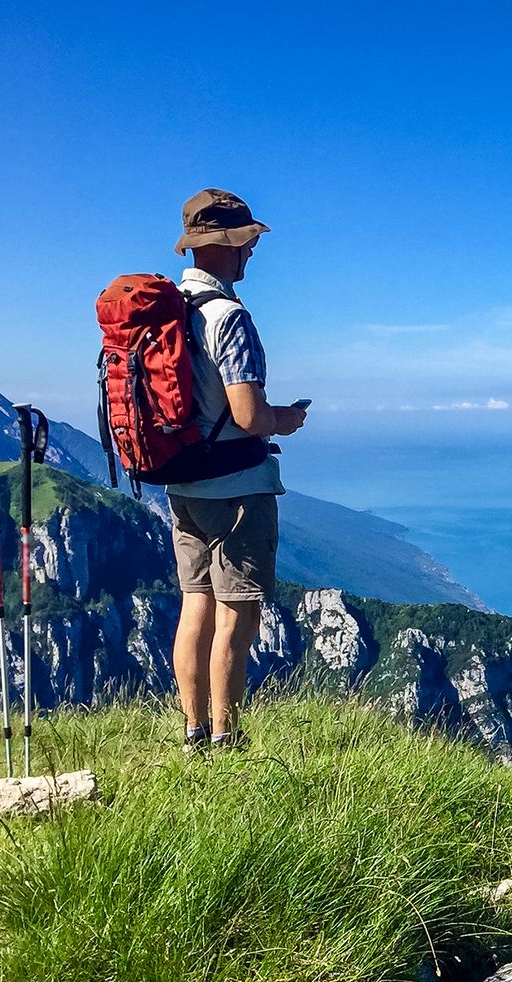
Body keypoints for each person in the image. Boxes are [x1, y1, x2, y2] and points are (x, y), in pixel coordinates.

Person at [166, 188, 308, 753]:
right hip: (239, 489)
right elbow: (249, 414)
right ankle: (226, 736)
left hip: (182, 480)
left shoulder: (169, 309)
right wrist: (287, 419)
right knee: (237, 616)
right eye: (248, 241)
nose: (252, 252)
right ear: (231, 245)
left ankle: (192, 732)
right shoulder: (229, 317)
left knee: (193, 605)